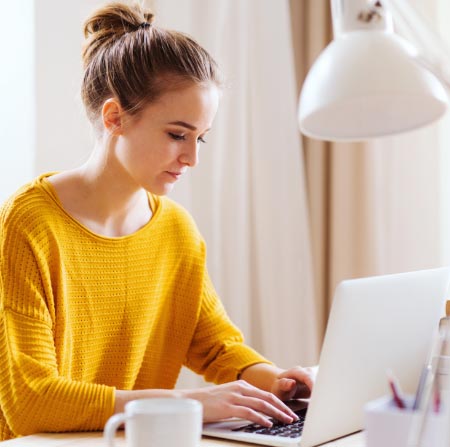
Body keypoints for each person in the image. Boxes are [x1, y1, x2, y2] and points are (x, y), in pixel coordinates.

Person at [0, 1, 314, 440]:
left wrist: (276, 380)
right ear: (115, 118)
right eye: (177, 134)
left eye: (201, 137)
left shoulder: (175, 230)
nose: (192, 157)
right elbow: (31, 402)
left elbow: (213, 343)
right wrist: (188, 403)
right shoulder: (28, 225)